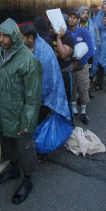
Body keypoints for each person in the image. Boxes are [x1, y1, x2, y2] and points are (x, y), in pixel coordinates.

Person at [0, 18, 42, 205]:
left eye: (6, 36)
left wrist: (27, 122)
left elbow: (33, 96)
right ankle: (12, 168)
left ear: (15, 37)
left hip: (19, 116)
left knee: (25, 149)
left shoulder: (27, 60)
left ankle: (27, 180)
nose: (2, 39)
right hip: (3, 113)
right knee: (7, 145)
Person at [19, 24, 72, 161]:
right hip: (34, 97)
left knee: (40, 125)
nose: (19, 41)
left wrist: (42, 101)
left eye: (22, 38)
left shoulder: (43, 54)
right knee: (35, 125)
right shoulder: (31, 47)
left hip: (44, 98)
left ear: (31, 38)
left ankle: (41, 153)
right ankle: (36, 149)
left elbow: (46, 82)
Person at [66, 11, 94, 125]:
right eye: (70, 17)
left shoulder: (83, 32)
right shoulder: (65, 32)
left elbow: (91, 49)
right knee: (72, 88)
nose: (72, 19)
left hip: (82, 66)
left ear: (78, 20)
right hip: (70, 67)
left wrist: (79, 61)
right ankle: (73, 108)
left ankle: (83, 111)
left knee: (83, 89)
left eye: (74, 18)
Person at [79, 6, 100, 98]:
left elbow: (97, 39)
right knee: (79, 73)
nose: (85, 15)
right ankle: (79, 93)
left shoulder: (92, 26)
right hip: (79, 55)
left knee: (89, 72)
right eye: (83, 13)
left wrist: (94, 48)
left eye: (87, 13)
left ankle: (89, 89)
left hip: (90, 55)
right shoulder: (75, 25)